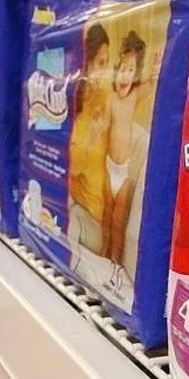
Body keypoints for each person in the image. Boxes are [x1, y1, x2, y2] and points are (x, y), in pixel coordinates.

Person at [102, 30, 156, 270]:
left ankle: (115, 262)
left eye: (131, 70)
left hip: (123, 173)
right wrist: (96, 127)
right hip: (107, 167)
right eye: (122, 69)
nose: (125, 75)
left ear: (136, 76)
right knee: (106, 216)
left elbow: (151, 84)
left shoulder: (134, 96)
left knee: (118, 222)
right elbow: (103, 125)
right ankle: (103, 258)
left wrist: (155, 69)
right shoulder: (111, 100)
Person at [67, 22, 112, 256]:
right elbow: (74, 168)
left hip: (93, 219)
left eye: (107, 62)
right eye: (101, 63)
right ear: (87, 64)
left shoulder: (104, 100)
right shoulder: (75, 106)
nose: (106, 71)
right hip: (75, 207)